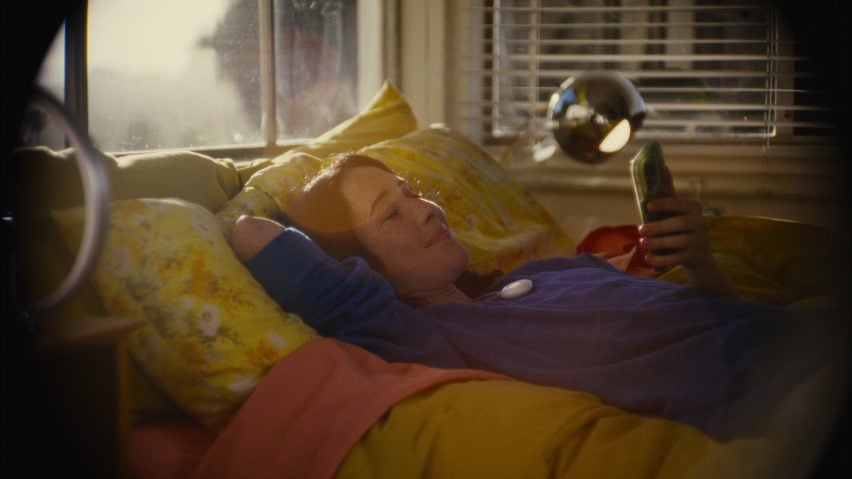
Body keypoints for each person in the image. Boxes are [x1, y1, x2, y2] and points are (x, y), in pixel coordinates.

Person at [230, 154, 834, 439]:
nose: (425, 210)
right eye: (391, 212)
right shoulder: (433, 337)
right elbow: (253, 235)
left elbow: (715, 319)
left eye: (412, 190)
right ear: (360, 269)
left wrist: (700, 263)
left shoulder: (553, 270)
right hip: (795, 396)